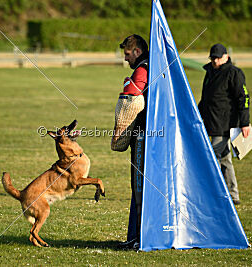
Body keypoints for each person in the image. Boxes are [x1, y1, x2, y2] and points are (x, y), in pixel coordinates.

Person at [198, 43, 250, 205]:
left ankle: (222, 194)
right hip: (210, 122)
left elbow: (243, 98)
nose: (215, 61)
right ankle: (230, 194)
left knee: (215, 157)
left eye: (218, 58)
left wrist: (245, 123)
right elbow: (206, 98)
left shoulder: (234, 73)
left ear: (226, 57)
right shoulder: (210, 72)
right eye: (213, 58)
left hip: (225, 123)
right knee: (224, 159)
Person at [116, 34, 149, 249]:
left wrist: (127, 83)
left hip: (142, 135)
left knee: (138, 188)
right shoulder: (150, 66)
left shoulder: (142, 69)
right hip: (149, 134)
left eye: (128, 54)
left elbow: (131, 96)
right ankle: (136, 236)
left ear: (137, 51)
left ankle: (136, 238)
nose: (126, 59)